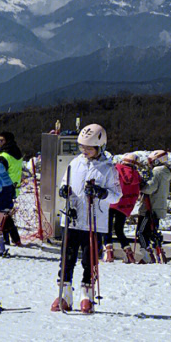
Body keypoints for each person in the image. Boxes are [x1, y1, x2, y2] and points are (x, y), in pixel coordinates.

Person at [52, 123, 120, 313]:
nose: (84, 151)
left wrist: (101, 192)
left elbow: (116, 195)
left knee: (89, 260)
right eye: (82, 147)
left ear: (100, 147)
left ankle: (86, 295)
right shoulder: (75, 163)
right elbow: (65, 182)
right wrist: (63, 190)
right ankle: (64, 294)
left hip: (94, 222)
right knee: (67, 257)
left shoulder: (108, 169)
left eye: (89, 148)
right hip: (72, 218)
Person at [105, 154, 142, 262]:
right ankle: (130, 255)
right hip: (124, 206)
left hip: (112, 202)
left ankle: (109, 253)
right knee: (119, 230)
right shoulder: (137, 176)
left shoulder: (115, 169)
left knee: (107, 228)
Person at [137, 150, 171, 262]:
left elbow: (150, 188)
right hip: (159, 206)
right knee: (153, 232)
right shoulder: (166, 172)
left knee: (141, 232)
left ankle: (147, 255)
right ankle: (157, 252)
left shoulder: (157, 172)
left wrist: (142, 184)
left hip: (150, 207)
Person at [0, 131, 26, 246]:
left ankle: (6, 241)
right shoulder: (17, 153)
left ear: (7, 141)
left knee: (0, 214)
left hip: (4, 188)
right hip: (14, 188)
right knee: (5, 214)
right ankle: (14, 239)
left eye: (1, 140)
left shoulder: (4, 156)